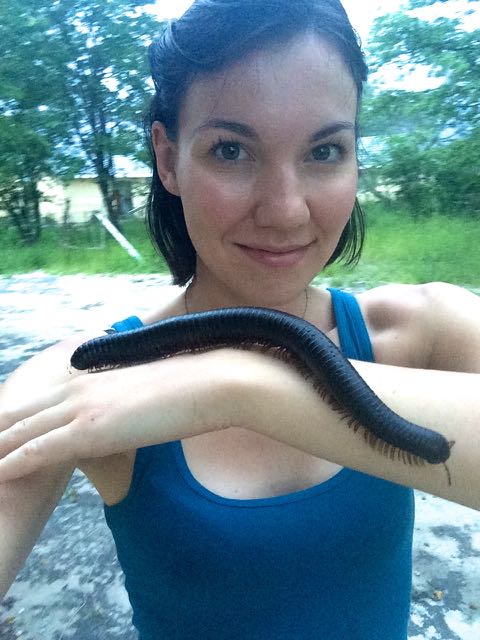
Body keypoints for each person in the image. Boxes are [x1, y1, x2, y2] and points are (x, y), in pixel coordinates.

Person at [0, 0, 479, 638]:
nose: (284, 211)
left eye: (326, 150)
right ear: (168, 159)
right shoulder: (78, 384)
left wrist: (238, 387)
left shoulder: (430, 329)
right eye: (231, 150)